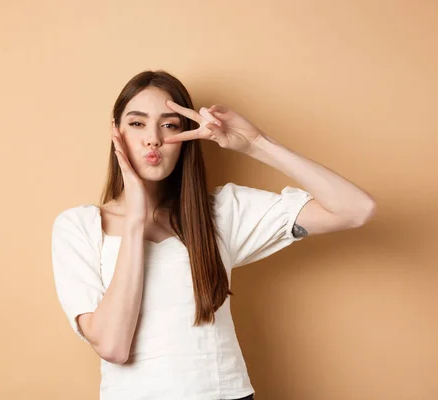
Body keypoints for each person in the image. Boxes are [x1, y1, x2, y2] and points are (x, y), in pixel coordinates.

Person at [51, 70, 376, 400]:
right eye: (137, 123)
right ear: (115, 132)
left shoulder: (220, 212)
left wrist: (257, 144)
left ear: (186, 137)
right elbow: (113, 346)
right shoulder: (79, 227)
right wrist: (135, 219)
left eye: (170, 125)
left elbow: (355, 209)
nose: (153, 139)